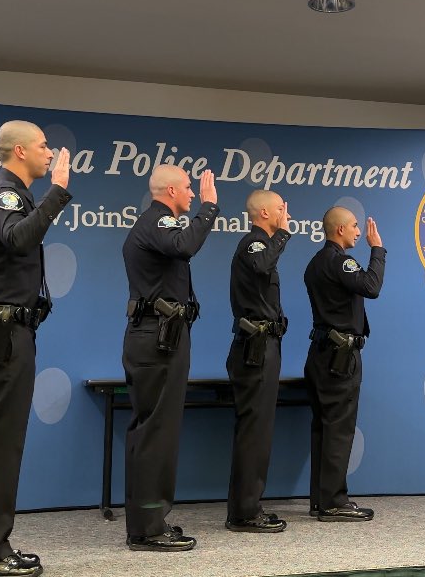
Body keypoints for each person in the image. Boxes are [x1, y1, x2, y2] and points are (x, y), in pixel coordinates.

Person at [0, 120, 72, 577]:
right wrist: (58, 192)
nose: (51, 152)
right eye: (44, 146)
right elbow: (19, 237)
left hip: (5, 335)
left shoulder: (10, 194)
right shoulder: (3, 193)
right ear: (20, 151)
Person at [121, 165, 219, 551]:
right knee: (155, 432)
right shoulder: (157, 222)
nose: (194, 194)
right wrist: (209, 209)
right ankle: (147, 528)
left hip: (162, 337)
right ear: (172, 190)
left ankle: (149, 521)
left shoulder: (157, 224)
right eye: (190, 188)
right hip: (156, 340)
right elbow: (185, 245)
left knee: (156, 431)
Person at [303, 206, 385, 522]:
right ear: (339, 230)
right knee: (338, 429)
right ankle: (333, 502)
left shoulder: (314, 263)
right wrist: (377, 249)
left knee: (323, 429)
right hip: (340, 358)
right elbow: (371, 287)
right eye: (353, 226)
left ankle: (320, 500)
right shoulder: (340, 261)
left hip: (320, 354)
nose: (357, 232)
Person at [225, 190, 291, 533]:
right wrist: (281, 234)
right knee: (254, 432)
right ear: (265, 212)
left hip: (265, 346)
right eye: (281, 208)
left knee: (258, 432)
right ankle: (244, 512)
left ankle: (246, 507)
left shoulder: (264, 245)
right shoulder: (253, 243)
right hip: (254, 349)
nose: (286, 213)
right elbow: (263, 264)